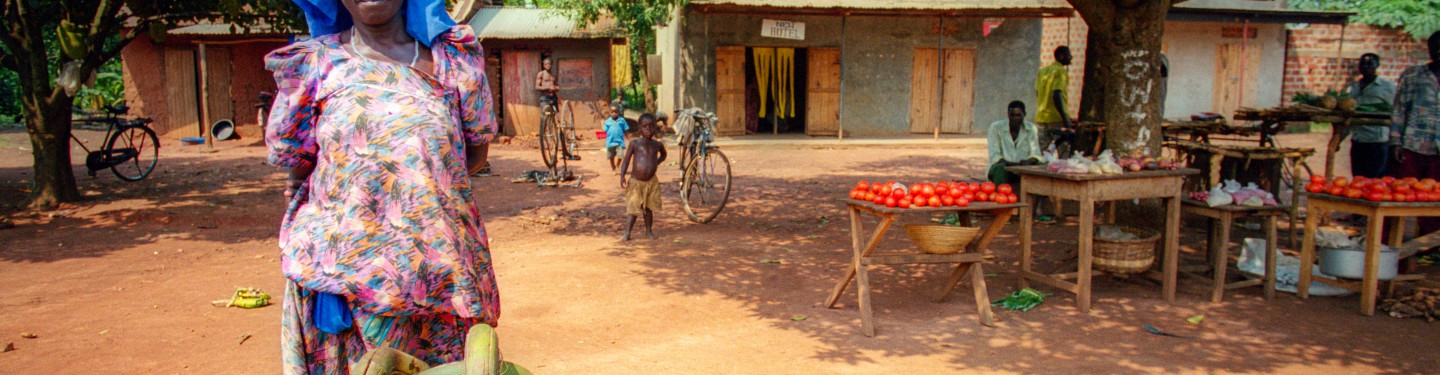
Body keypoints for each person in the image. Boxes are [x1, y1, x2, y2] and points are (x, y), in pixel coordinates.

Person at [266, 0, 500, 372]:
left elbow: (471, 156)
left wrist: (415, 188)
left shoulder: (452, 62)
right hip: (345, 288)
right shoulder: (314, 65)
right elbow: (297, 169)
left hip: (439, 283)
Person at [1390, 31, 1440, 247]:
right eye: (1434, 48)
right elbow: (1399, 110)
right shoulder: (1412, 76)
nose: (1438, 52)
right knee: (1401, 198)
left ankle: (1430, 248)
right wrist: (1395, 141)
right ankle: (1394, 247)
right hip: (1413, 145)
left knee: (1436, 202)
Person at [987, 101, 1052, 223]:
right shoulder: (995, 128)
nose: (1015, 119)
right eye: (1012, 115)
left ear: (1024, 115)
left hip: (1024, 169)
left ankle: (1038, 209)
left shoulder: (1031, 129)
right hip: (1003, 168)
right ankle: (1003, 210)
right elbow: (995, 156)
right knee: (1000, 167)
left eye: (1018, 115)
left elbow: (1036, 153)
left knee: (1045, 166)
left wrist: (1029, 161)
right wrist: (1015, 165)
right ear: (1008, 115)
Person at [1348, 53, 1398, 178]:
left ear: (1377, 66)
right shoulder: (1354, 87)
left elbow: (1396, 112)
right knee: (1358, 179)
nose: (1365, 67)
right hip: (1358, 140)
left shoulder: (1387, 87)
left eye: (1370, 64)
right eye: (1362, 64)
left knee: (1376, 181)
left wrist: (1395, 141)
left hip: (1377, 141)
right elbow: (1349, 115)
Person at [619, 114, 667, 241]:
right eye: (645, 126)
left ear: (655, 128)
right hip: (636, 182)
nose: (648, 129)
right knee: (633, 208)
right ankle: (627, 232)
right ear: (640, 128)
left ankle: (648, 231)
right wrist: (622, 175)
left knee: (648, 208)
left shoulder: (657, 145)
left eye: (651, 126)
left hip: (651, 182)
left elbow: (663, 155)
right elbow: (626, 160)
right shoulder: (635, 144)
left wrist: (656, 162)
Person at [1035, 46, 1074, 156]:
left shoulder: (1042, 71)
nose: (1070, 58)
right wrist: (1065, 117)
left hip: (1041, 116)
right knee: (1064, 151)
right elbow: (1056, 94)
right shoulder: (1060, 71)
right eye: (1069, 55)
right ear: (1061, 56)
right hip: (1056, 117)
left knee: (1040, 153)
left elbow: (1037, 92)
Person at [603, 102, 629, 171]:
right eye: (612, 112)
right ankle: (613, 168)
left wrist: (628, 138)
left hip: (620, 142)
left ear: (618, 112)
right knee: (611, 157)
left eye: (616, 112)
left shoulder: (622, 120)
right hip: (610, 142)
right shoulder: (607, 122)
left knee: (620, 155)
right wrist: (602, 124)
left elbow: (625, 129)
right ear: (610, 113)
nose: (614, 113)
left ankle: (617, 165)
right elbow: (605, 130)